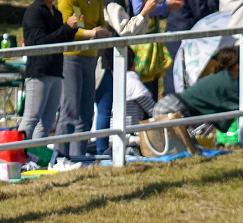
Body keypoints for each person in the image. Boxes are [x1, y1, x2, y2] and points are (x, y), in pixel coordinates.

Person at [153, 47, 243, 133]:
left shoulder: (223, 78)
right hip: (173, 110)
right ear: (237, 66)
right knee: (184, 150)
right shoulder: (229, 82)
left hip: (169, 105)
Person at [94, 0, 157, 155]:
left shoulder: (122, 2)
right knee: (105, 108)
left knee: (107, 108)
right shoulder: (112, 4)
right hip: (106, 60)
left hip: (116, 59)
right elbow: (125, 30)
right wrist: (143, 12)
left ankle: (107, 149)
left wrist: (145, 13)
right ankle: (102, 150)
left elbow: (136, 31)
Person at [55, 0, 111, 163]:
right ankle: (59, 158)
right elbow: (68, 30)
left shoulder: (97, 2)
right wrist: (92, 33)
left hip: (91, 56)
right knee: (69, 110)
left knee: (86, 113)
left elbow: (102, 26)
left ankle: (78, 158)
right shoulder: (67, 1)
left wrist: (100, 32)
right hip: (70, 57)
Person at [19, 0, 78, 145]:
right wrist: (66, 28)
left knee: (48, 120)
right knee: (32, 117)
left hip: (55, 70)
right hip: (39, 72)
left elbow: (61, 39)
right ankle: (16, 155)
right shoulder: (34, 11)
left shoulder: (56, 13)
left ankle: (38, 158)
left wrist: (72, 29)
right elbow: (40, 43)